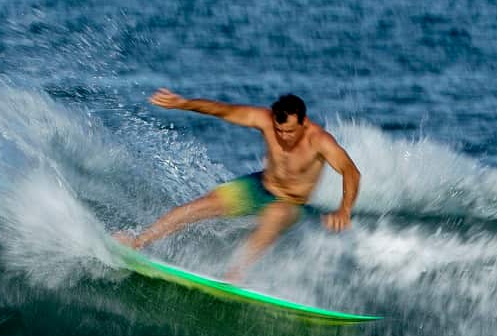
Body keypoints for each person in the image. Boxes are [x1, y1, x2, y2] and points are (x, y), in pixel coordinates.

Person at [114, 89, 362, 282]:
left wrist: (344, 210)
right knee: (205, 204)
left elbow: (351, 172)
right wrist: (183, 103)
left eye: (290, 131)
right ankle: (138, 241)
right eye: (279, 130)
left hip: (291, 203)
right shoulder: (265, 120)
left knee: (274, 214)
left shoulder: (319, 140)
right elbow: (223, 110)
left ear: (303, 121)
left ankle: (235, 274)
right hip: (259, 187)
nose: (284, 137)